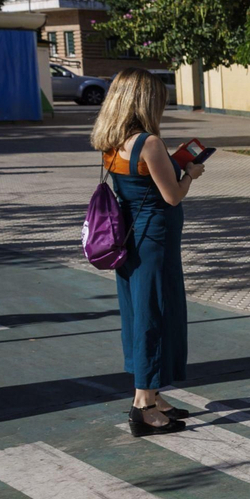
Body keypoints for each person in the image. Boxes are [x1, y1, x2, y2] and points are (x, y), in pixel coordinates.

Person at [90, 68, 201, 436]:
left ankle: (154, 393)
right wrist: (190, 174)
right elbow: (171, 196)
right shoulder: (149, 143)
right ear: (145, 100)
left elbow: (136, 181)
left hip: (127, 237)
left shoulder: (111, 139)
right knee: (157, 313)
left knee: (138, 313)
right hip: (155, 237)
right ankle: (143, 404)